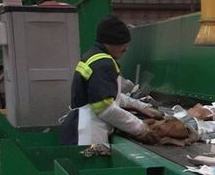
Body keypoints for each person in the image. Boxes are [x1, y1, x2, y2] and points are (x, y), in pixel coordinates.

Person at [60, 14, 157, 145]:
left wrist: (140, 106)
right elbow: (105, 108)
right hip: (88, 133)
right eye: (123, 44)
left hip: (79, 125)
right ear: (111, 42)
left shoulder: (92, 56)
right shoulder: (103, 64)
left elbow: (108, 96)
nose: (126, 49)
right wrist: (140, 128)